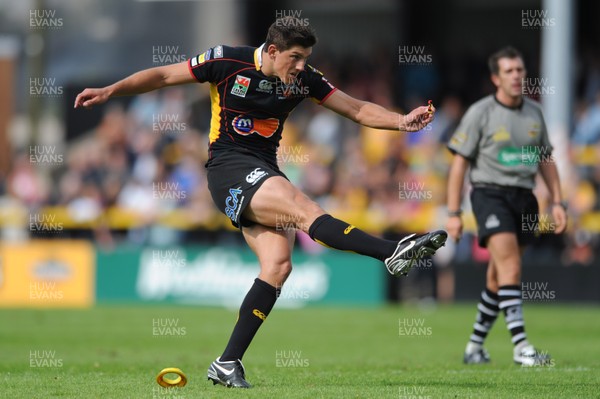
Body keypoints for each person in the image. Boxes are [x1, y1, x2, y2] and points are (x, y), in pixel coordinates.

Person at [75, 17, 447, 388]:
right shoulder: (225, 61)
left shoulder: (304, 79)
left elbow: (357, 109)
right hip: (229, 169)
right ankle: (390, 251)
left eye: (306, 58)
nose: (302, 66)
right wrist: (111, 90)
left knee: (279, 266)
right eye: (296, 57)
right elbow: (162, 77)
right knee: (304, 209)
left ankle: (226, 362)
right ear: (272, 51)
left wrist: (402, 121)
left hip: (265, 171)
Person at [445, 47, 567, 366]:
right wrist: (453, 213)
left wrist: (557, 201)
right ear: (495, 78)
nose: (516, 76)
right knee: (511, 266)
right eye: (509, 71)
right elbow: (459, 165)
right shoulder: (480, 112)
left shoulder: (534, 113)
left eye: (520, 70)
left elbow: (546, 160)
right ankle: (521, 347)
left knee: (498, 279)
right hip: (490, 195)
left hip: (525, 198)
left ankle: (474, 347)